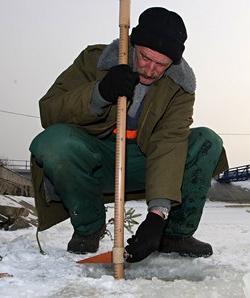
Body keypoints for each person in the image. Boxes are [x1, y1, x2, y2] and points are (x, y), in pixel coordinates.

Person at [29, 7, 228, 263]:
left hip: (145, 164)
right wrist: (100, 92)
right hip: (95, 161)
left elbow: (169, 143)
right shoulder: (95, 61)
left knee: (207, 141)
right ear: (133, 44)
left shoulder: (180, 87)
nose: (151, 70)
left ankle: (175, 235)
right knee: (53, 142)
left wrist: (158, 216)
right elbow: (49, 111)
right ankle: (88, 228)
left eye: (161, 64)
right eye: (145, 57)